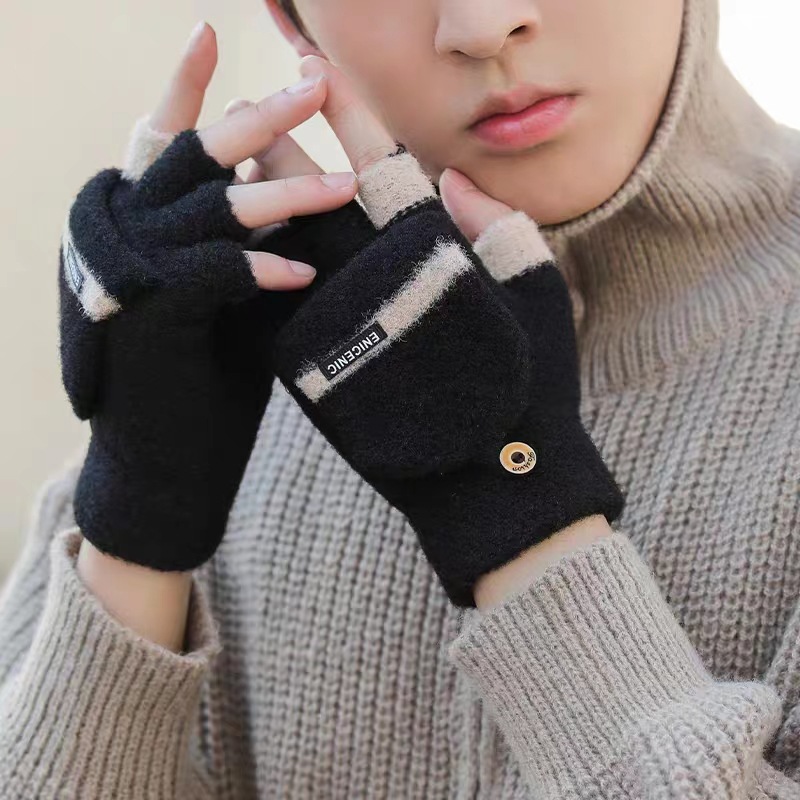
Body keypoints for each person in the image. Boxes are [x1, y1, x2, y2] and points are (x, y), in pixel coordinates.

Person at [0, 0, 798, 796]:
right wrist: (137, 515)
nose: (482, 27)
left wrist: (509, 499)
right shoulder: (236, 345)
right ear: (293, 20)